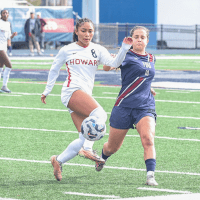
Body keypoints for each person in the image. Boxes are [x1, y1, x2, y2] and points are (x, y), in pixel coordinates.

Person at [41, 18, 133, 181]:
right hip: (71, 92)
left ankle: (58, 160)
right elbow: (54, 68)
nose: (87, 34)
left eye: (90, 31)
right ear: (76, 31)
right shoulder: (67, 49)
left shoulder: (98, 49)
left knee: (81, 139)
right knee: (101, 115)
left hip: (84, 95)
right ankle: (89, 149)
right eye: (83, 30)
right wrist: (47, 90)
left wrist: (124, 47)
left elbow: (113, 63)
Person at [80, 26, 158, 186]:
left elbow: (145, 76)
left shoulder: (151, 58)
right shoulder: (127, 55)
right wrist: (120, 53)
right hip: (124, 106)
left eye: (142, 37)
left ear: (147, 40)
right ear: (132, 39)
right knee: (112, 148)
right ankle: (102, 157)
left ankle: (150, 176)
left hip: (145, 106)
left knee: (148, 140)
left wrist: (148, 87)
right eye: (136, 36)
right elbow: (107, 67)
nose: (139, 39)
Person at [0, 9, 17, 93]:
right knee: (9, 65)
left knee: (0, 67)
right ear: (1, 15)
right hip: (0, 48)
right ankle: (4, 86)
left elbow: (8, 37)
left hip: (4, 47)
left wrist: (13, 35)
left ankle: (3, 87)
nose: (5, 14)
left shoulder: (8, 24)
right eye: (3, 13)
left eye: (6, 13)